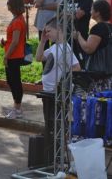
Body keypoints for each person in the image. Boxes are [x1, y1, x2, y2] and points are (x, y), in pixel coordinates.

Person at [36, 18, 81, 163]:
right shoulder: (54, 47)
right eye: (45, 31)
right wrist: (42, 42)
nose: (46, 33)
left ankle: (59, 156)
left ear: (59, 30)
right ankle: (52, 155)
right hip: (47, 92)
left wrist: (63, 81)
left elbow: (76, 67)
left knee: (57, 124)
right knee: (50, 124)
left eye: (49, 31)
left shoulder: (65, 48)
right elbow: (39, 57)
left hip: (56, 93)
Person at [0, 0, 26, 119]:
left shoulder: (17, 21)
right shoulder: (18, 19)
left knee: (14, 82)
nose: (7, 5)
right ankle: (17, 107)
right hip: (14, 54)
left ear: (13, 5)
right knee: (12, 81)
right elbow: (14, 40)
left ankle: (17, 108)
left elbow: (15, 41)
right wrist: (5, 43)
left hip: (14, 56)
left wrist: (6, 56)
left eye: (9, 2)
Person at [70, 0, 93, 68]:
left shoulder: (87, 0)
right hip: (65, 39)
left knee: (79, 66)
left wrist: (65, 14)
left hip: (80, 39)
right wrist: (73, 14)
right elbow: (59, 17)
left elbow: (79, 15)